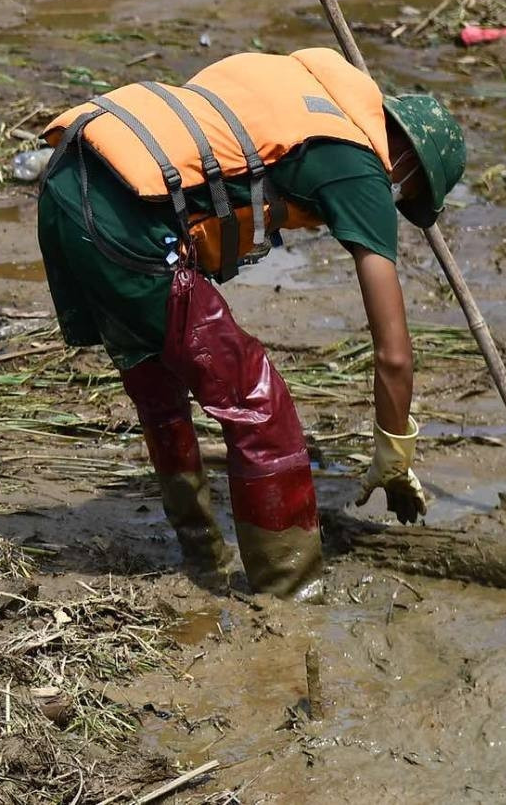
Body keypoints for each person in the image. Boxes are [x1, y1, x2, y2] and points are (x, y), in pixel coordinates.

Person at [34, 47, 465, 598]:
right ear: (407, 162)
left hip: (71, 180)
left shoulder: (306, 84)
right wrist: (394, 455)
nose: (397, 200)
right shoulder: (360, 164)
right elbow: (394, 354)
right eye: (408, 194)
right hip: (127, 221)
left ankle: (201, 557)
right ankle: (290, 591)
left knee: (158, 380)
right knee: (260, 404)